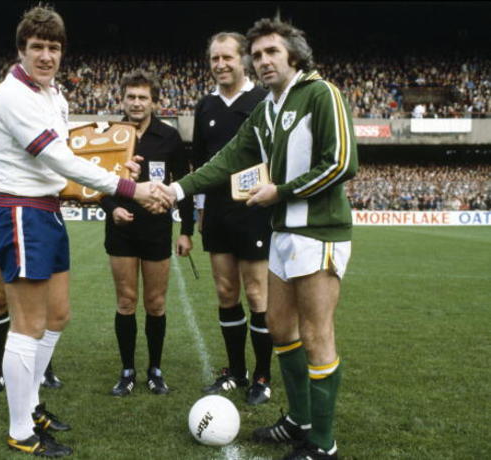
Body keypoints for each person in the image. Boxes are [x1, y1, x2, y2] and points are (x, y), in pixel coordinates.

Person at [160, 17, 358, 460]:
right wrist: (176, 190)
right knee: (282, 329)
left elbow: (342, 162)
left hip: (318, 233)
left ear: (294, 54)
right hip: (282, 233)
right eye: (258, 54)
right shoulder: (266, 109)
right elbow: (227, 158)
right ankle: (299, 421)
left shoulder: (320, 93)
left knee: (315, 334)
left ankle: (323, 445)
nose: (264, 60)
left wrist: (280, 191)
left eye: (272, 52)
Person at [0, 5, 166, 457]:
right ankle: (20, 429)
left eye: (53, 48)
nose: (46, 56)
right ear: (21, 50)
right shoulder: (12, 96)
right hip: (22, 212)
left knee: (58, 315)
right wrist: (130, 187)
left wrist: (112, 167)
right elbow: (59, 161)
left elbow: (69, 166)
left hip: (48, 210)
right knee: (26, 326)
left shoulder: (52, 95)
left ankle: (31, 405)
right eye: (37, 47)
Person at [100, 70, 194, 397]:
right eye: (131, 97)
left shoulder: (169, 137)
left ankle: (155, 369)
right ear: (122, 100)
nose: (137, 103)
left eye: (143, 97)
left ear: (154, 101)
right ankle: (127, 370)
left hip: (156, 230)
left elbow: (185, 185)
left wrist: (186, 231)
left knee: (155, 303)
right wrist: (112, 208)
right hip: (121, 230)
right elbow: (96, 182)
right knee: (126, 302)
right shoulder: (111, 135)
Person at [192, 32, 273, 405]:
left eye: (227, 57)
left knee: (257, 293)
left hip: (255, 211)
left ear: (243, 60)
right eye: (214, 58)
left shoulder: (263, 100)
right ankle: (236, 371)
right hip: (218, 214)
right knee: (226, 293)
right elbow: (199, 164)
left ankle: (262, 375)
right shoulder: (205, 106)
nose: (220, 65)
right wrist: (198, 213)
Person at [0, 121, 64, 395]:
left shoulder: (46, 119)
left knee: (41, 297)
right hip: (1, 213)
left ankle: (43, 367)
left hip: (40, 213)